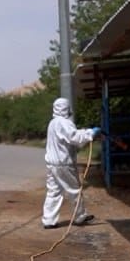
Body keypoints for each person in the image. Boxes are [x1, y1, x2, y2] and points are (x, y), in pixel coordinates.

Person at [41, 97, 102, 229]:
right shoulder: (64, 123)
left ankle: (49, 221)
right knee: (74, 189)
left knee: (54, 191)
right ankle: (80, 217)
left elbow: (69, 138)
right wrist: (91, 133)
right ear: (66, 108)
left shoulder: (52, 123)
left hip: (52, 163)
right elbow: (74, 137)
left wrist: (85, 133)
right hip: (63, 163)